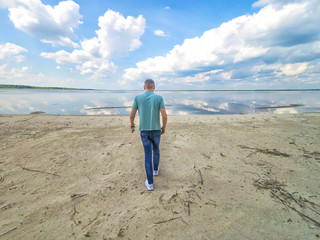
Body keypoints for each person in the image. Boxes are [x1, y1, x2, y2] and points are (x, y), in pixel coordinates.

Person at [130, 79, 167, 191]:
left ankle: (150, 183)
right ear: (154, 86)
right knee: (156, 149)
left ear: (144, 87)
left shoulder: (138, 98)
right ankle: (155, 170)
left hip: (144, 131)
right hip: (156, 130)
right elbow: (164, 116)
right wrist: (163, 127)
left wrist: (132, 125)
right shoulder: (159, 98)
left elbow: (131, 115)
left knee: (147, 156)